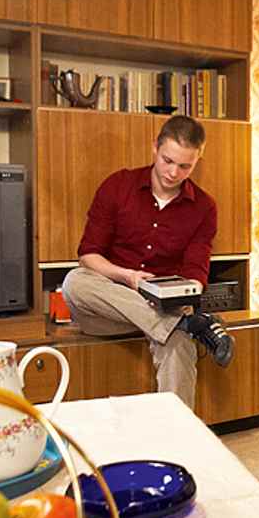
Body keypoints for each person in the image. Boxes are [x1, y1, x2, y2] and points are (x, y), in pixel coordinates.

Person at [60, 115, 234, 408]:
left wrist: (182, 293)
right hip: (108, 307)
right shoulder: (118, 185)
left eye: (184, 166)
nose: (173, 172)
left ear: (196, 161)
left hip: (162, 307)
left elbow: (195, 271)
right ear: (155, 147)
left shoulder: (204, 207)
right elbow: (88, 255)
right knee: (74, 281)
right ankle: (186, 323)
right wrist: (128, 277)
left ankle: (176, 443)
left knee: (179, 344)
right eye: (167, 160)